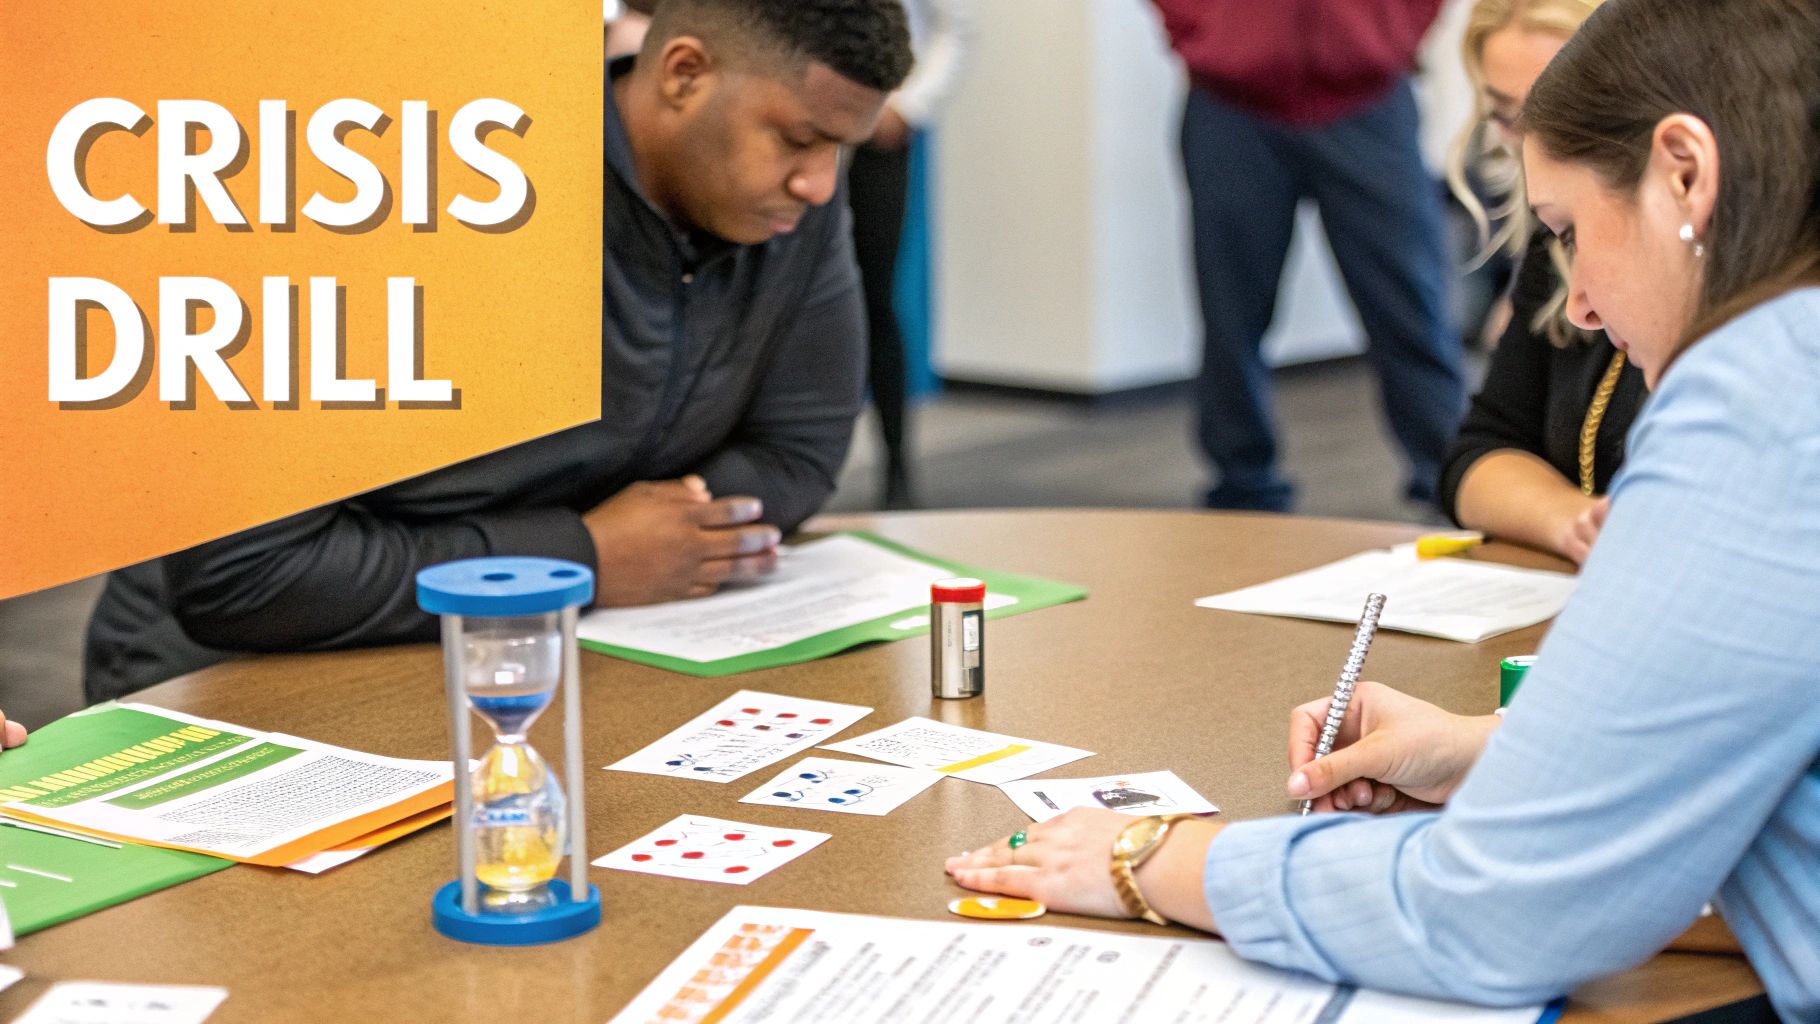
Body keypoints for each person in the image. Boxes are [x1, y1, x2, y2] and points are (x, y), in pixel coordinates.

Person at [946, 0, 1820, 1017]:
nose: (1574, 302)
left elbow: (1499, 915)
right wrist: (1486, 748)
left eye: (1568, 230)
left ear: (1683, 171)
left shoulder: (1756, 394)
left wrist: (1157, 855)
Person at [83, 0, 915, 703]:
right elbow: (246, 574)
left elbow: (797, 459)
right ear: (684, 73)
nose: (819, 182)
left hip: (526, 656)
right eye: (797, 139)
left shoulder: (785, 211)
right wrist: (583, 554)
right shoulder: (419, 194)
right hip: (240, 678)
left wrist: (652, 541)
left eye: (841, 147)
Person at [1152, 0, 1467, 513]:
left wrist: (1390, 34)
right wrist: (1205, 32)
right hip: (1231, 104)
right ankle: (1241, 482)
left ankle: (1452, 477)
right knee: (1231, 315)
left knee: (1411, 302)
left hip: (1369, 98)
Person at [1438, 0, 1646, 565]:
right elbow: (1479, 451)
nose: (1535, 148)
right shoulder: (1548, 247)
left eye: (1560, 118)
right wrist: (1579, 525)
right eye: (1509, 116)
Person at [848, 0, 975, 509]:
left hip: (878, 133)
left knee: (876, 300)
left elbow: (958, 28)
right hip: (791, 114)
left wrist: (909, 105)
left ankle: (897, 468)